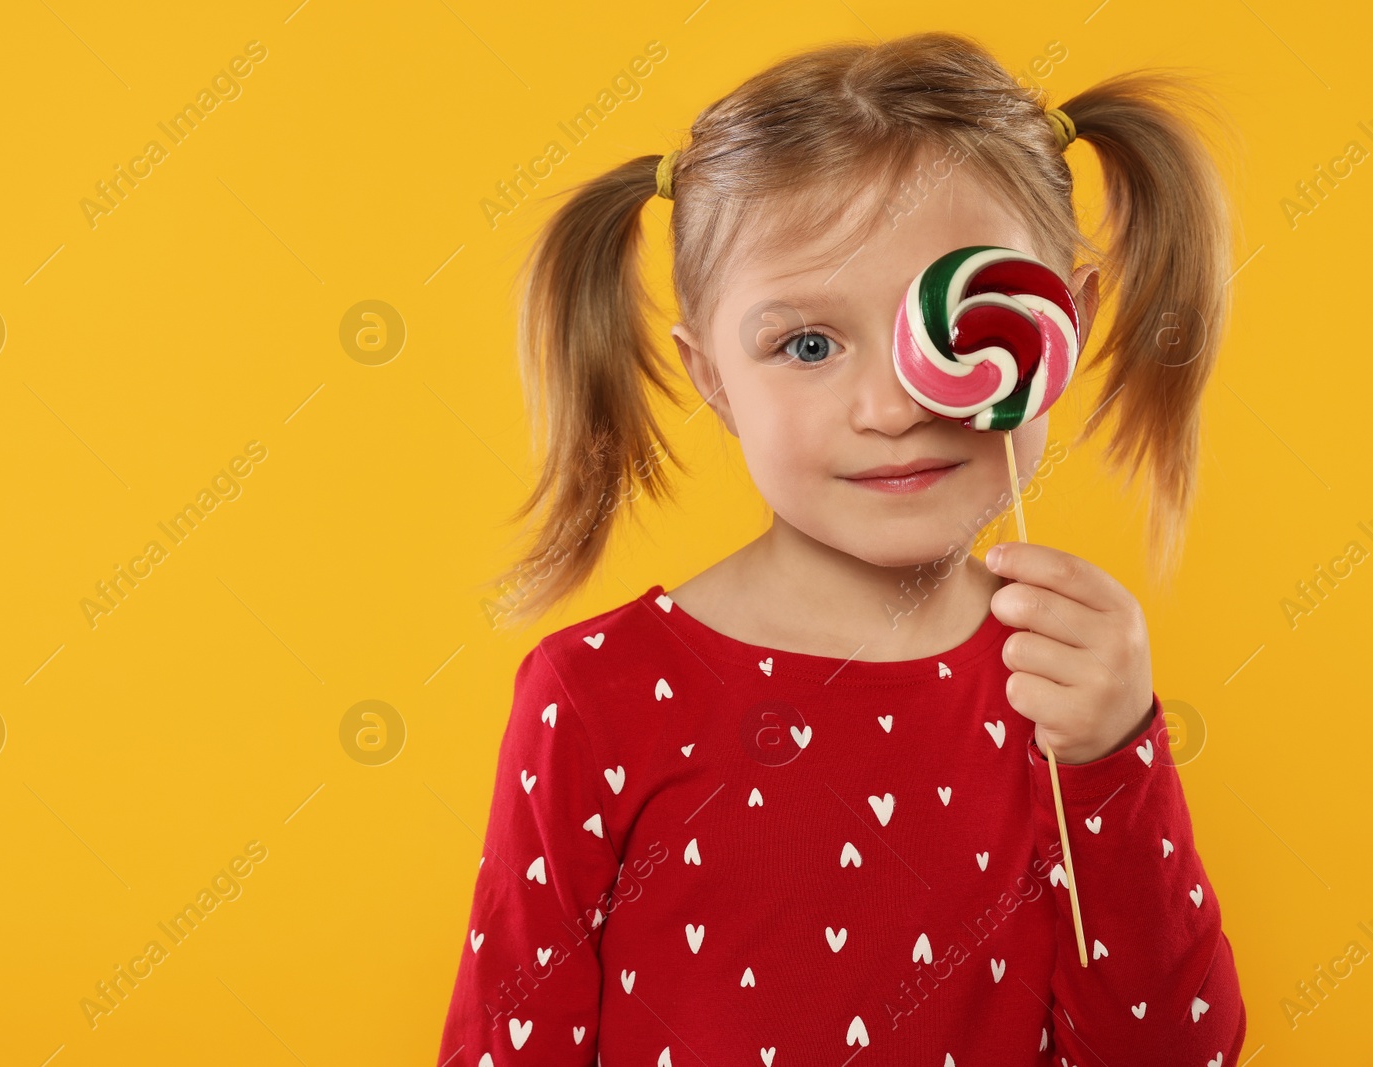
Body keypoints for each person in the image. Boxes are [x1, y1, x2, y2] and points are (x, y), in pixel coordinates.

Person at [440, 30, 1245, 1066]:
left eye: (950, 326)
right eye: (808, 345)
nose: (892, 405)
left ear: (1058, 324)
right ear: (715, 378)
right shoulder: (595, 693)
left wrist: (1111, 754)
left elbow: (1173, 1055)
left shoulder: (1062, 683)